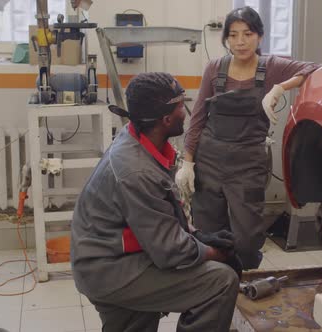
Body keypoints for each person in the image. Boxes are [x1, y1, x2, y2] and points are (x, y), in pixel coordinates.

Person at [71, 72, 241, 332]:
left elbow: (161, 213)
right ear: (166, 119)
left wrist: (199, 236)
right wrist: (214, 252)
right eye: (180, 107)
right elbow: (169, 251)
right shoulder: (135, 171)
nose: (185, 112)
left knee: (136, 324)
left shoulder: (138, 139)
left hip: (111, 256)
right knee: (221, 280)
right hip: (109, 268)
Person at [176, 6, 322, 269]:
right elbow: (197, 118)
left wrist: (280, 87)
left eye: (248, 34)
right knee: (209, 233)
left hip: (248, 164)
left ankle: (246, 285)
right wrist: (187, 163)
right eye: (233, 35)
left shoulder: (273, 67)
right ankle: (217, 285)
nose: (240, 42)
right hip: (208, 161)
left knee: (247, 237)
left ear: (260, 37)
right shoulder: (215, 68)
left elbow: (315, 69)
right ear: (226, 39)